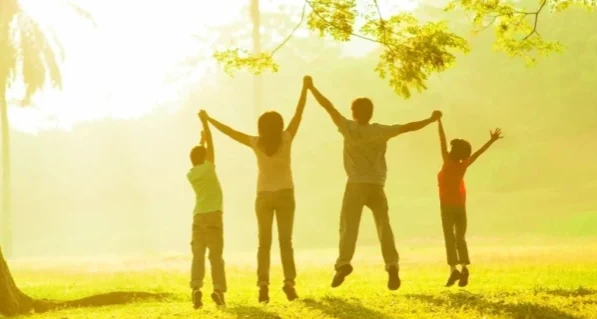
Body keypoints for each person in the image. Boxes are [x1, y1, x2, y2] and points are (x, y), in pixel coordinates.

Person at [307, 77, 440, 291]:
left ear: (353, 112)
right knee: (383, 226)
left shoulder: (347, 127)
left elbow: (328, 107)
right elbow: (408, 127)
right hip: (377, 185)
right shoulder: (380, 130)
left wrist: (312, 88)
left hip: (355, 185)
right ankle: (392, 264)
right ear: (371, 113)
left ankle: (343, 264)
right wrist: (431, 119)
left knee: (348, 227)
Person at [202, 77, 309, 304]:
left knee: (264, 242)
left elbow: (230, 132)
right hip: (285, 193)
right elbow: (299, 114)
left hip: (263, 196)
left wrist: (209, 120)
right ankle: (289, 283)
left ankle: (263, 285)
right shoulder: (286, 138)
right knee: (285, 241)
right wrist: (305, 88)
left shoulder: (255, 142)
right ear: (279, 125)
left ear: (261, 127)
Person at [437, 118, 502, 287]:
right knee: (460, 238)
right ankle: (464, 267)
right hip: (460, 206)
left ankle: (453, 270)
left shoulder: (447, 162)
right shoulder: (464, 165)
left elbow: (442, 139)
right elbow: (478, 153)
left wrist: (438, 121)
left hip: (446, 207)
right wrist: (492, 140)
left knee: (449, 238)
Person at [186, 112, 226, 309]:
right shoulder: (210, 168)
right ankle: (218, 290)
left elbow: (199, 155)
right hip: (214, 215)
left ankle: (196, 288)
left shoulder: (191, 174)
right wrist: (205, 122)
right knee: (216, 256)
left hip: (198, 216)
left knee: (198, 255)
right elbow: (211, 144)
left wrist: (199, 142)